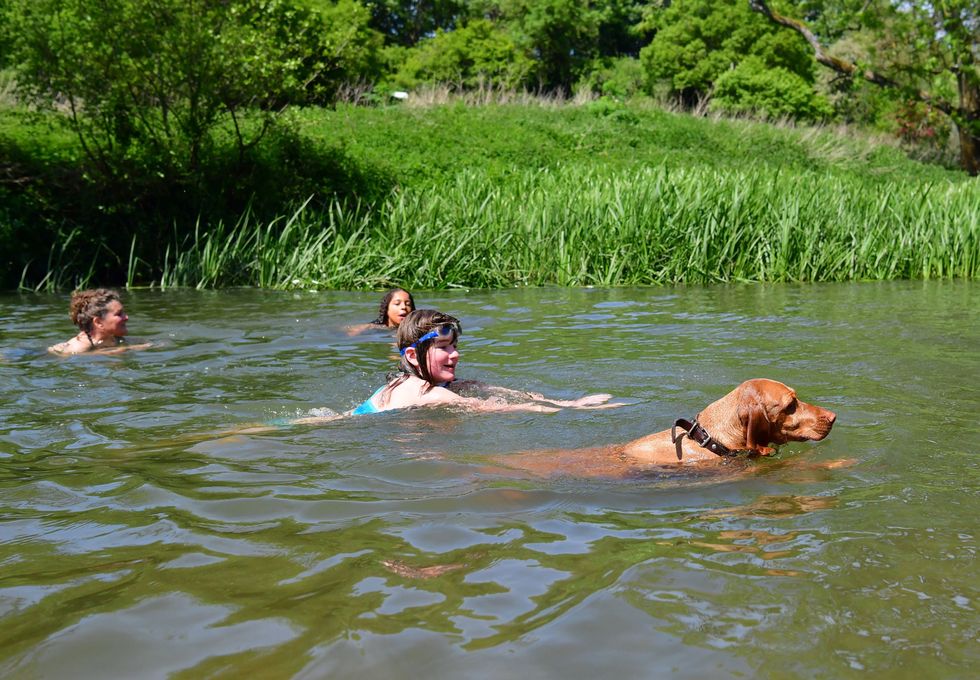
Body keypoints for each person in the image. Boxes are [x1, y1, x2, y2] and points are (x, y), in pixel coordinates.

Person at [343, 309, 616, 416]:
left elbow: (485, 389)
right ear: (413, 356)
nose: (455, 354)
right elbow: (483, 407)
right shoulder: (430, 393)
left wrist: (567, 402)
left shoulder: (409, 381)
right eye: (443, 348)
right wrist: (555, 411)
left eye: (455, 346)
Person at [48, 288, 150, 355]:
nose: (126, 317)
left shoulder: (115, 338)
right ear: (98, 322)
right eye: (119, 314)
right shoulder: (78, 348)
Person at [346, 288, 415, 336]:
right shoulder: (371, 327)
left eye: (408, 304)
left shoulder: (416, 328)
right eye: (397, 304)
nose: (403, 307)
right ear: (386, 308)